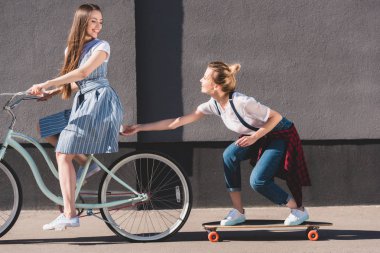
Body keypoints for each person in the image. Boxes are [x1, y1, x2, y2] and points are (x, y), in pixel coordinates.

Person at [121, 61, 311, 226]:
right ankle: (238, 212)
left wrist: (254, 137)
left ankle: (298, 209)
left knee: (258, 181)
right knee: (229, 155)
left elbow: (276, 117)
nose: (200, 80)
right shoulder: (214, 105)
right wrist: (139, 127)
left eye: (205, 77)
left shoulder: (242, 102)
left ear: (216, 86)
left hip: (278, 135)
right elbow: (176, 122)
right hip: (258, 136)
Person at [29, 3, 123, 231]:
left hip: (100, 103)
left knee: (62, 153)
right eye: (93, 21)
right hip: (84, 102)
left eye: (100, 22)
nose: (98, 26)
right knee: (44, 127)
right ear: (82, 22)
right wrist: (50, 94)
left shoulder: (102, 46)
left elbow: (83, 73)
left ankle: (70, 214)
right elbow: (75, 83)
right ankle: (85, 163)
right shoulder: (72, 49)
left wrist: (47, 83)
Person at [36, 86, 100, 181]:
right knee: (43, 127)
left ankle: (85, 164)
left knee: (42, 126)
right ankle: (86, 163)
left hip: (87, 114)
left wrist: (51, 90)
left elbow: (78, 81)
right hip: (87, 111)